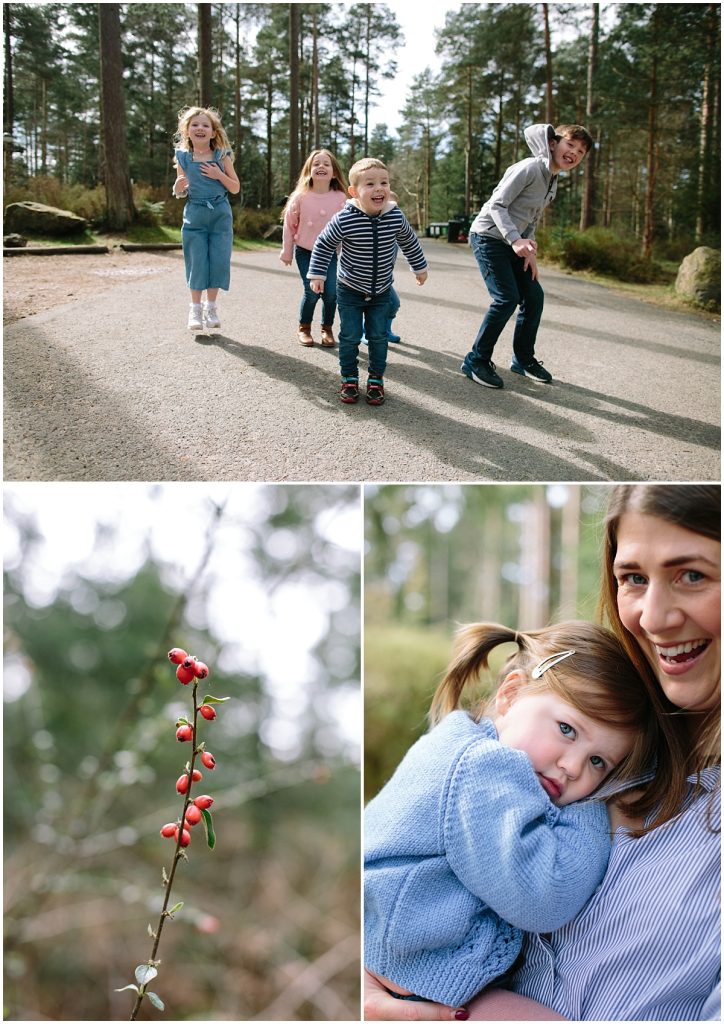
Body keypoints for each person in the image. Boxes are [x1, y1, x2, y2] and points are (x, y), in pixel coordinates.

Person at [364, 484, 720, 1023]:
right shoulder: (500, 763)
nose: (653, 617)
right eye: (633, 578)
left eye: (692, 574)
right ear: (509, 693)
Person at [365, 620, 657, 1008]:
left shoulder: (470, 749)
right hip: (415, 977)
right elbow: (546, 896)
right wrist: (595, 807)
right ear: (511, 693)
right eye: (567, 730)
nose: (573, 767)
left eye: (599, 762)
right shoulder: (483, 772)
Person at [460, 124, 592, 390]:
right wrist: (515, 239)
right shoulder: (529, 168)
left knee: (534, 296)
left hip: (514, 243)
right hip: (488, 236)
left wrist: (529, 249)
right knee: (506, 298)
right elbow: (496, 205)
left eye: (580, 152)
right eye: (570, 145)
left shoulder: (553, 180)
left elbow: (532, 217)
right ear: (553, 143)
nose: (574, 153)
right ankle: (476, 360)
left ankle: (523, 359)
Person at [308, 158, 428, 406]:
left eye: (383, 182)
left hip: (381, 291)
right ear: (354, 192)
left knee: (378, 336)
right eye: (370, 184)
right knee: (350, 336)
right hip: (350, 288)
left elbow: (409, 241)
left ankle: (375, 379)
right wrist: (318, 274)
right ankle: (349, 378)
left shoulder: (395, 216)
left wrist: (420, 267)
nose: (379, 188)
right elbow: (323, 244)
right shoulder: (345, 218)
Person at [172, 106, 240, 332]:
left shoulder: (222, 155)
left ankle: (211, 307)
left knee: (218, 260)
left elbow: (235, 188)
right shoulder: (182, 156)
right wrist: (178, 187)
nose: (200, 128)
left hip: (220, 213)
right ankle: (195, 308)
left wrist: (218, 174)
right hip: (195, 214)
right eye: (195, 125)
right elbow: (182, 190)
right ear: (187, 131)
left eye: (205, 125)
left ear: (213, 132)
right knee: (197, 260)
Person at [279, 149, 348, 347]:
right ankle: (304, 327)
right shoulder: (300, 197)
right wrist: (287, 250)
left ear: (334, 172)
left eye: (326, 164)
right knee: (311, 292)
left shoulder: (340, 198)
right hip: (305, 251)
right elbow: (289, 224)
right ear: (308, 170)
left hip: (332, 253)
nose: (321, 167)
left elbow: (348, 227)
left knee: (331, 293)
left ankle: (327, 328)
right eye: (316, 163)